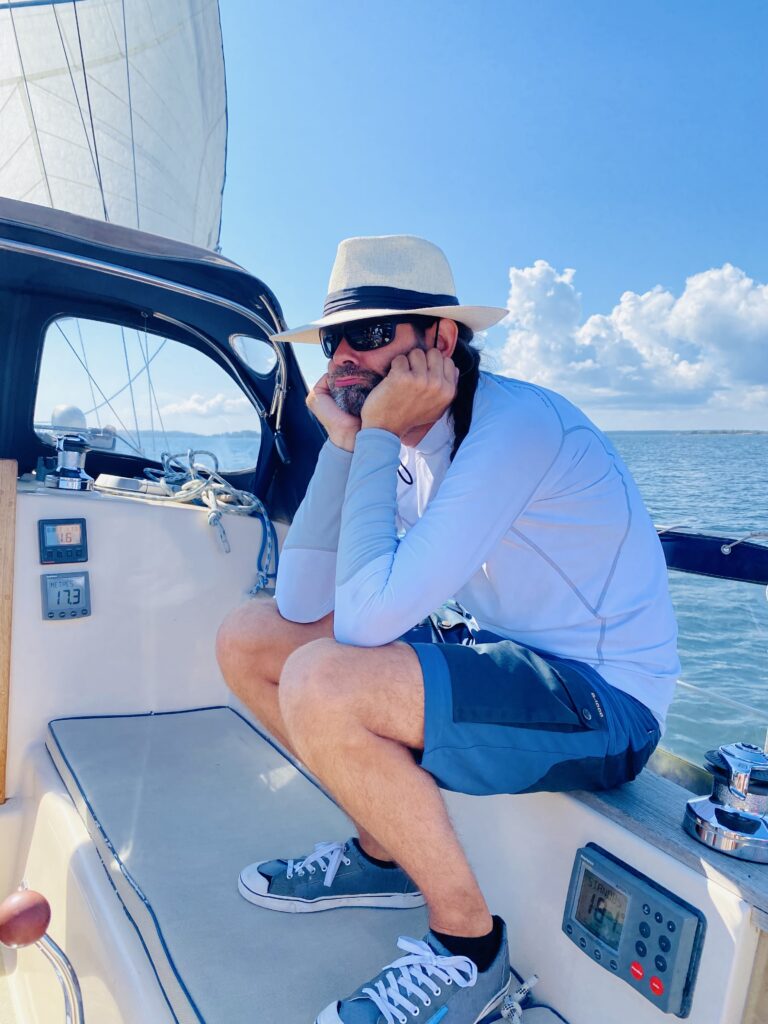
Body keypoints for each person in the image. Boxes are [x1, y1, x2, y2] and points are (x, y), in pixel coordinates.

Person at [215, 234, 679, 1024]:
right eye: (333, 342)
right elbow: (300, 600)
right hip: (509, 659)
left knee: (324, 680)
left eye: (368, 334)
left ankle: (470, 950)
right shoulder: (405, 442)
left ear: (440, 339)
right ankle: (382, 853)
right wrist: (347, 446)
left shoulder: (515, 429)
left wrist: (375, 437)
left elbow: (365, 620)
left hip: (606, 703)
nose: (345, 359)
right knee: (251, 638)